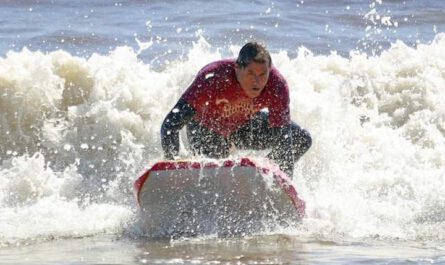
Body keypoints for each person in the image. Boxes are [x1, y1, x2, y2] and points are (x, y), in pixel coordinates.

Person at [160, 42, 311, 178]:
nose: (257, 82)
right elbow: (169, 125)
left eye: (263, 74)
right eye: (251, 74)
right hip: (207, 130)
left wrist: (283, 182)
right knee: (216, 179)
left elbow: (285, 142)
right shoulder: (212, 78)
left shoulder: (277, 85)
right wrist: (173, 168)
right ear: (237, 68)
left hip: (243, 127)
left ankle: (264, 177)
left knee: (300, 138)